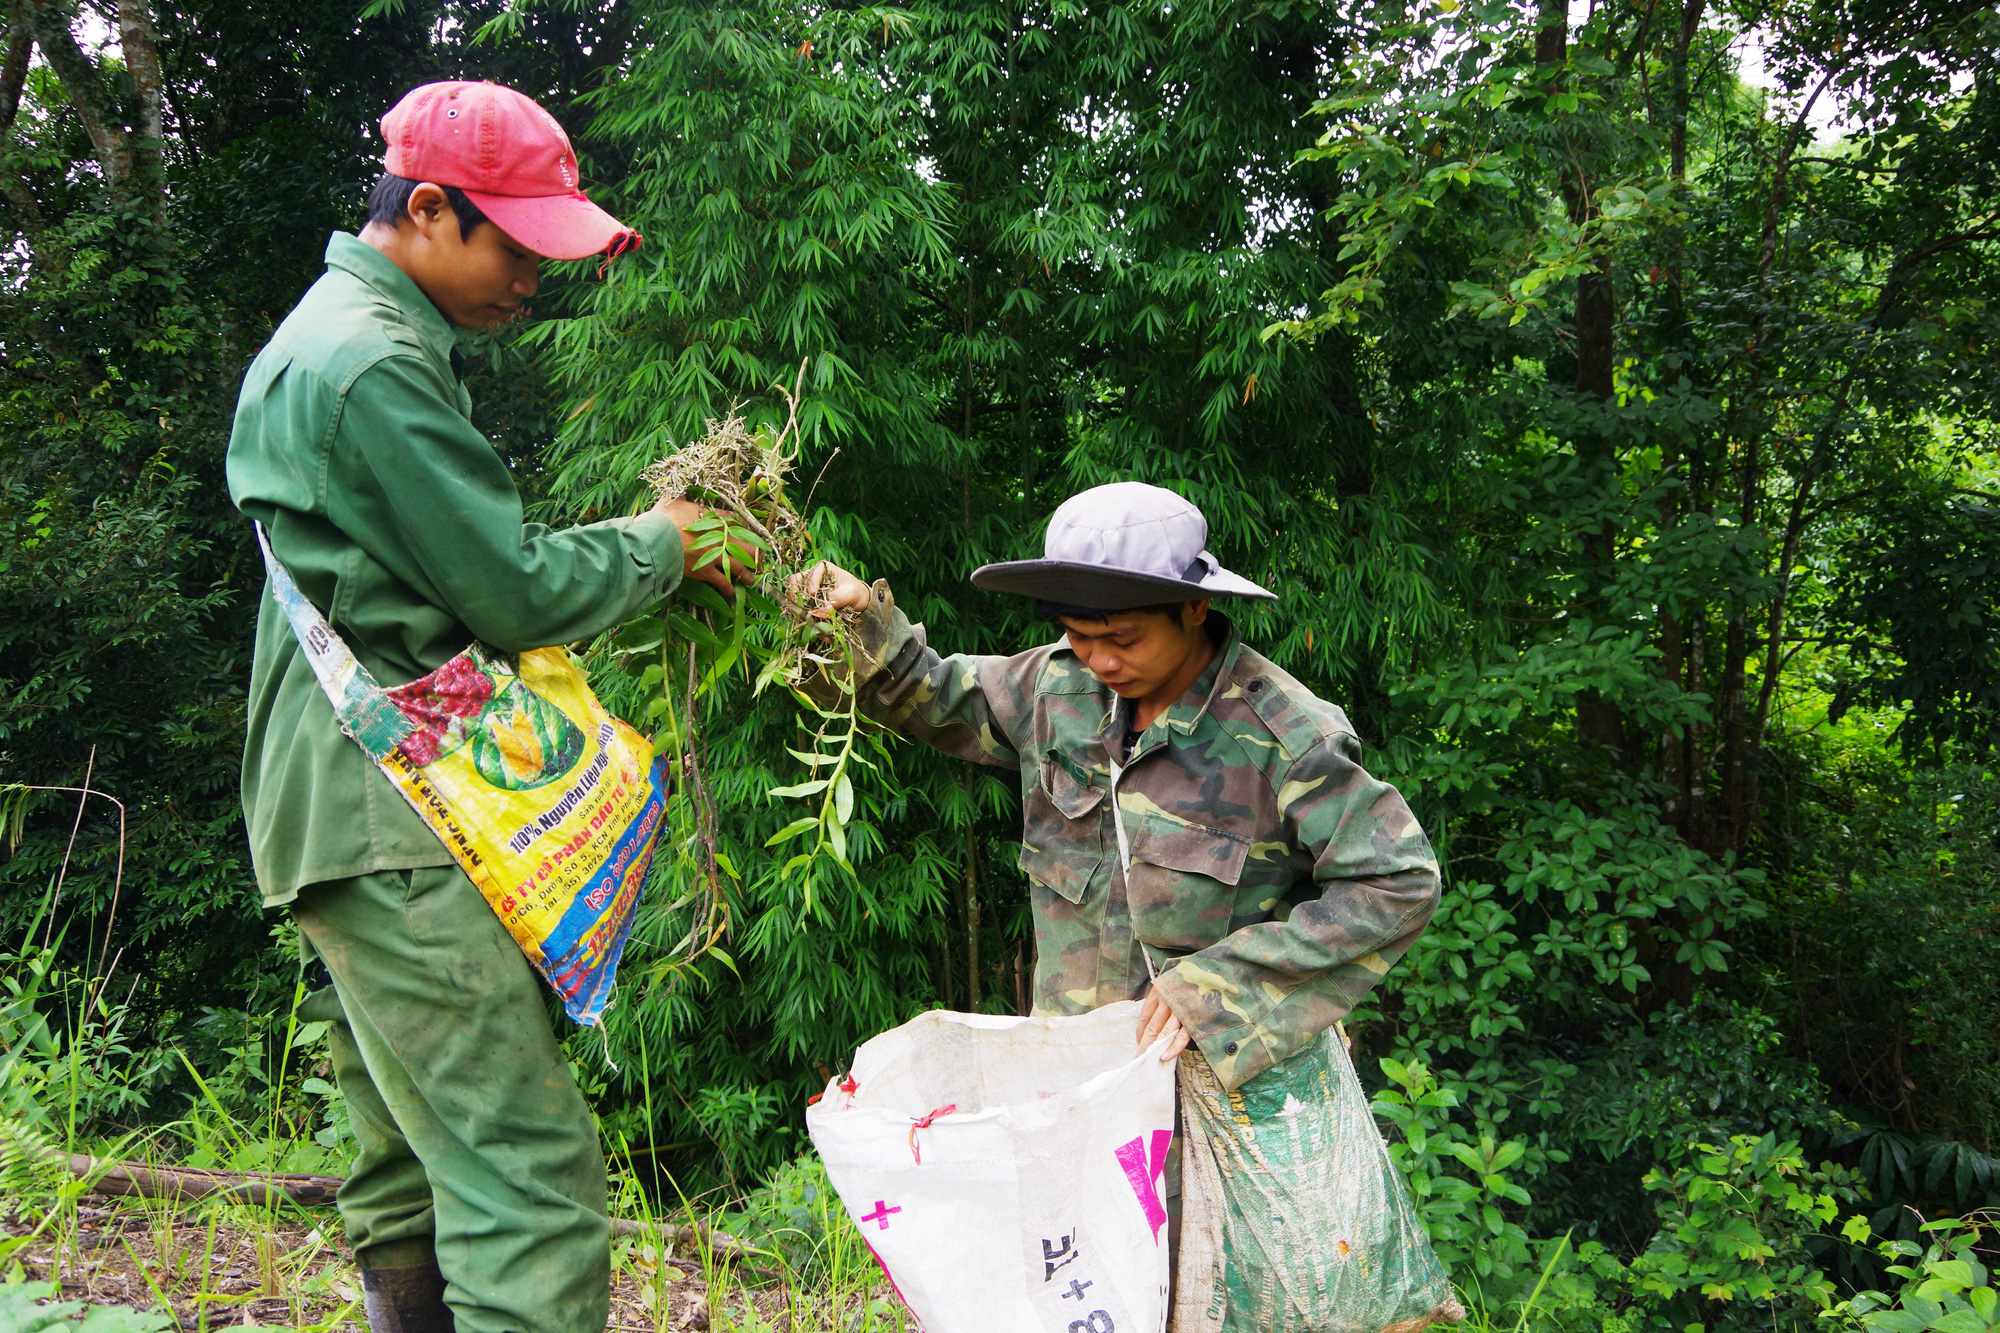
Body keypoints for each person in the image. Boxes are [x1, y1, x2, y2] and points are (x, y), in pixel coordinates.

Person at [227, 81, 748, 1333]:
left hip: (338, 812)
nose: (533, 278)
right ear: (425, 210)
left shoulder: (336, 333)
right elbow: (510, 593)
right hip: (393, 817)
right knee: (530, 1181)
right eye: (515, 244)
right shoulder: (372, 363)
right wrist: (664, 542)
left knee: (406, 1152)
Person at [797, 481, 1441, 1230]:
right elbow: (937, 694)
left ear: (1195, 607)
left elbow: (1396, 882)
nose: (1099, 658)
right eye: (1078, 634)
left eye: (1125, 638)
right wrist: (863, 623)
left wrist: (1219, 984)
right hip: (1070, 1095)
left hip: (1219, 1110)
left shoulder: (1285, 734)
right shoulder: (1053, 687)